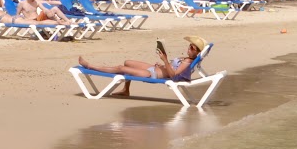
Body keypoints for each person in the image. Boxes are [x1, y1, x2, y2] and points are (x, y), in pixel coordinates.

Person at [78, 37, 207, 97]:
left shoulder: (187, 63)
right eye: (189, 46)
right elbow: (170, 69)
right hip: (154, 68)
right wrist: (162, 63)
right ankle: (125, 90)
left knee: (121, 68)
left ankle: (90, 66)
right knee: (127, 62)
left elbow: (174, 76)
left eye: (192, 48)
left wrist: (165, 60)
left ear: (197, 52)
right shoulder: (185, 59)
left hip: (151, 75)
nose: (188, 48)